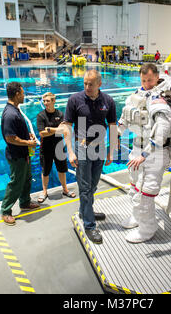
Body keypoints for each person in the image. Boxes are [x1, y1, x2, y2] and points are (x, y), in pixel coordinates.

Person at [117, 63, 171, 243]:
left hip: (154, 153)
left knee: (145, 193)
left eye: (150, 80)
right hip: (138, 149)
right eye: (143, 80)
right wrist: (117, 133)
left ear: (157, 77)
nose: (147, 84)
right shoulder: (137, 95)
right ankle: (137, 218)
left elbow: (162, 130)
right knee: (134, 187)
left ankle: (147, 229)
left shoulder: (160, 99)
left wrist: (146, 154)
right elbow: (125, 116)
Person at [59, 70, 118, 244]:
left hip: (99, 147)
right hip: (82, 148)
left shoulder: (108, 101)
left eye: (90, 84)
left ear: (99, 84)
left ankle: (85, 211)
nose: (87, 87)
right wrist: (70, 151)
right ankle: (90, 225)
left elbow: (113, 126)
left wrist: (111, 151)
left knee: (93, 185)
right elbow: (67, 127)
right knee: (84, 187)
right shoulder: (75, 100)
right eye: (85, 83)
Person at [0, 82, 40, 226]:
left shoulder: (15, 110)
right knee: (16, 182)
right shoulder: (10, 114)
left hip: (24, 154)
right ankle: (5, 211)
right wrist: (28, 143)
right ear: (17, 94)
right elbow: (10, 138)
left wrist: (27, 135)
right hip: (17, 156)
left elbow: (16, 133)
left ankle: (25, 202)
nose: (24, 95)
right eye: (23, 93)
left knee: (27, 178)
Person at [36, 92, 75, 203]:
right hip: (46, 148)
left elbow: (64, 130)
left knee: (62, 170)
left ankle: (65, 189)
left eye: (47, 101)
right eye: (44, 101)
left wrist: (50, 129)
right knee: (45, 171)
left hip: (59, 147)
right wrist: (57, 129)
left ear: (54, 101)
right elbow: (42, 134)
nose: (45, 103)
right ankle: (44, 192)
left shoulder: (60, 114)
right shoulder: (41, 116)